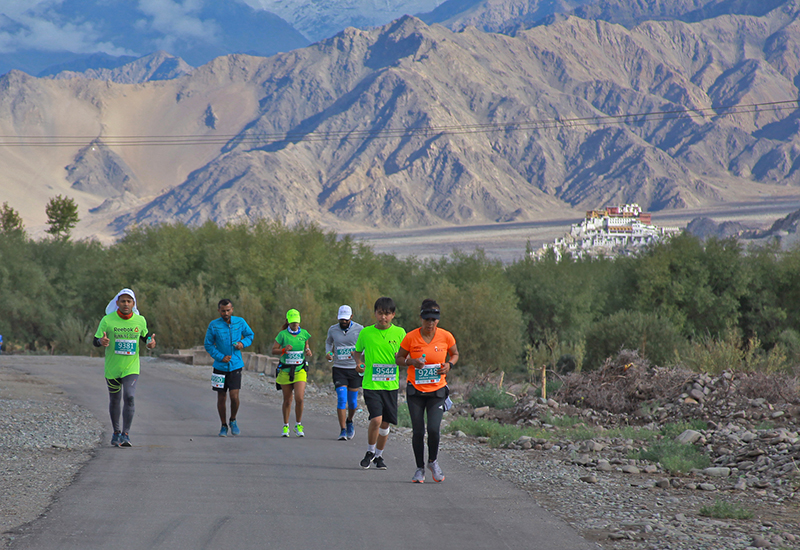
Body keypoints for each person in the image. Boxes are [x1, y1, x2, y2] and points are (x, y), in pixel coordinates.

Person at [395, 299, 459, 483]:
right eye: (427, 319)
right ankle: (419, 469)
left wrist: (449, 365)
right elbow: (399, 358)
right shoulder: (411, 337)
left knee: (433, 429)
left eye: (434, 319)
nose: (430, 323)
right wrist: (411, 362)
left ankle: (433, 461)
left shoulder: (446, 336)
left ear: (438, 320)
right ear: (421, 318)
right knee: (417, 431)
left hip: (437, 390)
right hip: (415, 390)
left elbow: (455, 354)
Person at [93, 289, 156, 447]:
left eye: (129, 301)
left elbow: (145, 337)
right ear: (117, 303)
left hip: (131, 368)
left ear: (133, 304)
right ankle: (116, 433)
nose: (126, 304)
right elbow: (95, 340)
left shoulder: (140, 320)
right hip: (113, 368)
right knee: (115, 400)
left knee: (129, 396)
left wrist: (150, 343)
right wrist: (101, 342)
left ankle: (126, 434)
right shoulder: (107, 320)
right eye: (123, 301)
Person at [352, 297, 406, 470]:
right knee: (376, 419)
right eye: (380, 313)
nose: (383, 317)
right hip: (371, 384)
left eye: (387, 314)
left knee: (385, 424)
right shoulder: (366, 332)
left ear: (393, 315)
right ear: (375, 313)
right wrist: (358, 364)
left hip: (390, 385)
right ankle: (370, 451)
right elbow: (357, 352)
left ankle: (379, 456)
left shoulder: (400, 333)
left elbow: (405, 355)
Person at [204, 299, 255, 437]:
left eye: (228, 310)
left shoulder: (240, 322)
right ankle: (223, 425)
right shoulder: (214, 325)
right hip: (220, 366)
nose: (225, 313)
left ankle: (233, 419)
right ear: (219, 310)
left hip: (235, 365)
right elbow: (208, 344)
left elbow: (250, 335)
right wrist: (220, 357)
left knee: (234, 396)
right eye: (223, 310)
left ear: (232, 309)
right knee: (221, 397)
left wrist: (242, 344)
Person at [272, 309, 312, 437]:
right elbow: (274, 350)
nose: (295, 325)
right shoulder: (282, 335)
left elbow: (306, 346)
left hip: (299, 370)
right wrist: (283, 349)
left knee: (299, 398)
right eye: (293, 322)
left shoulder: (304, 334)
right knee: (287, 400)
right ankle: (286, 426)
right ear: (288, 322)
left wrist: (308, 351)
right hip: (285, 370)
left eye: (297, 322)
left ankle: (298, 424)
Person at [325, 305, 363, 440]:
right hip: (339, 368)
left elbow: (364, 346)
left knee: (352, 403)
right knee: (341, 399)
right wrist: (328, 353)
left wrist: (357, 354)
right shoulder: (333, 329)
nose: (343, 322)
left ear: (351, 317)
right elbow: (328, 343)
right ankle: (342, 430)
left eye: (346, 319)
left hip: (354, 369)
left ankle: (349, 421)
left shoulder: (360, 329)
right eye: (341, 319)